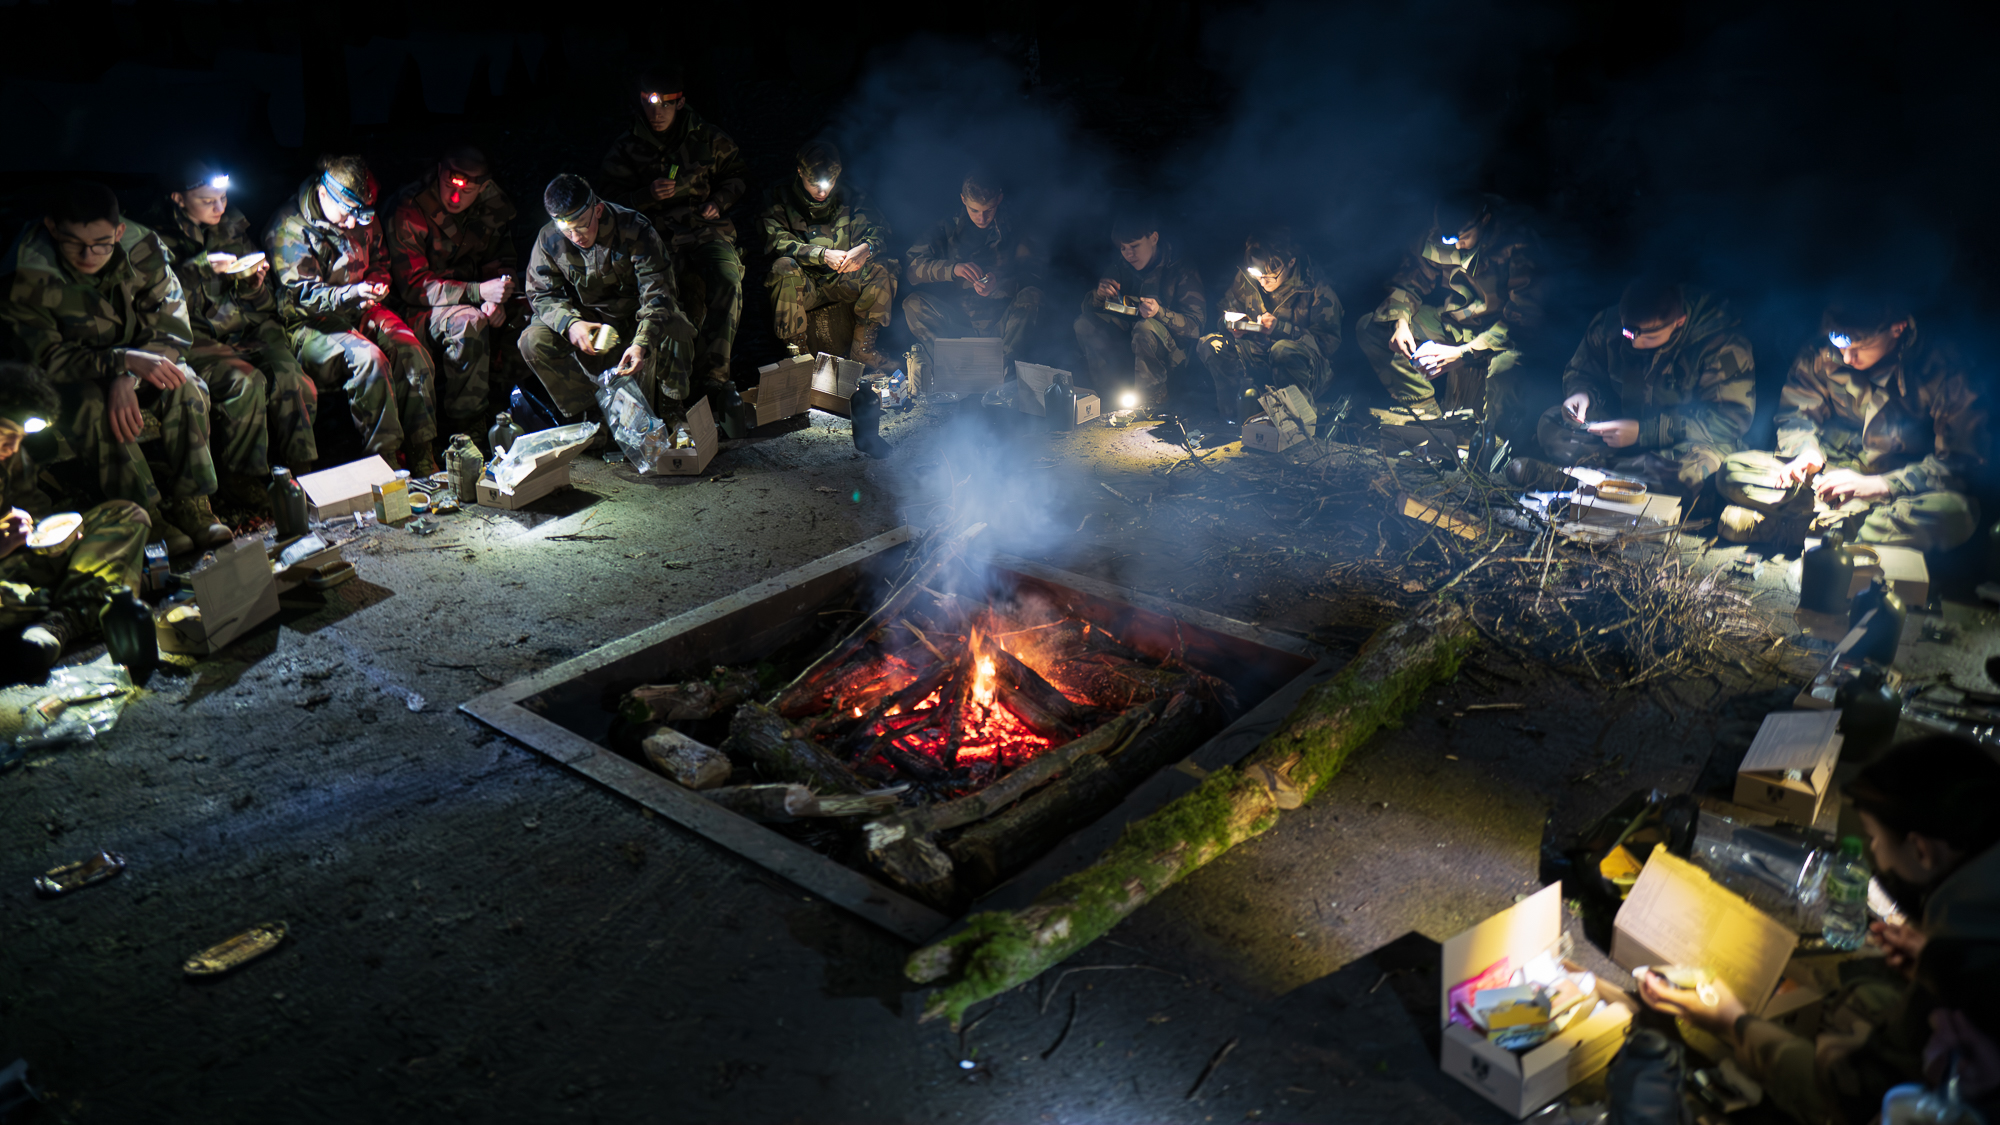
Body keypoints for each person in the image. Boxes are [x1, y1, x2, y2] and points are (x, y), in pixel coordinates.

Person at [1640, 735, 2000, 1125]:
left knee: (1846, 1033)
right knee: (1864, 996)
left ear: (1922, 851)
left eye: (1875, 839)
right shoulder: (1975, 923)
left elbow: (1852, 1093)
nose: (1871, 854)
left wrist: (1731, 1023)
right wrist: (1935, 959)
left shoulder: (1954, 999)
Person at [0, 180, 229, 555]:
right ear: (54, 228)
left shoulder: (143, 248)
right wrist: (120, 361)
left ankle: (195, 504)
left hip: (136, 363)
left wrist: (128, 374)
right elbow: (47, 359)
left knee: (185, 383)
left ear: (119, 231)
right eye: (75, 243)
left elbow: (171, 326)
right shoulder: (29, 273)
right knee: (91, 406)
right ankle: (147, 515)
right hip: (70, 378)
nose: (89, 255)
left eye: (102, 243)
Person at [1717, 299, 1988, 552]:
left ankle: (1804, 532)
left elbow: (1958, 463)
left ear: (1898, 328)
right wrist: (1805, 452)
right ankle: (1829, 532)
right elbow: (1796, 416)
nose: (1846, 357)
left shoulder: (1946, 371)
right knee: (1732, 470)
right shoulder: (1823, 352)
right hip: (1828, 478)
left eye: (1858, 346)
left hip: (1893, 492)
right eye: (1839, 342)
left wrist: (1881, 485)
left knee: (1958, 514)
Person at [145, 159, 319, 484]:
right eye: (208, 201)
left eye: (223, 198)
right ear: (178, 198)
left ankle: (302, 472)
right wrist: (199, 268)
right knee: (247, 383)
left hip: (250, 330)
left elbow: (265, 305)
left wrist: (253, 286)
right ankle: (246, 481)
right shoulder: (154, 241)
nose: (219, 207)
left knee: (293, 379)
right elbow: (153, 301)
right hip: (194, 338)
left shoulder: (233, 228)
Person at [265, 155, 440, 473]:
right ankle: (384, 461)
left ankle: (422, 452)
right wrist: (351, 293)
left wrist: (377, 283)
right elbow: (302, 296)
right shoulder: (289, 229)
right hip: (306, 324)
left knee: (412, 351)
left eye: (361, 216)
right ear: (323, 194)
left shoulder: (359, 215)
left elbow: (380, 261)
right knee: (369, 360)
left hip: (360, 308)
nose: (352, 224)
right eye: (347, 215)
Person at [1505, 278, 1753, 493]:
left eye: (1649, 335)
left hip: (1685, 445)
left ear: (1679, 322)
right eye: (1628, 333)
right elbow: (1582, 370)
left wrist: (1644, 432)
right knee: (1551, 425)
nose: (1634, 343)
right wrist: (1581, 393)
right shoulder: (1610, 326)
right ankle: (1611, 479)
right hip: (1620, 435)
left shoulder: (1721, 346)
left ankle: (1572, 479)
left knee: (1694, 474)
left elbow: (1729, 421)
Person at [598, 66, 749, 419]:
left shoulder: (707, 138)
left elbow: (739, 175)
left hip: (704, 231)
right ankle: (670, 391)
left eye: (665, 104)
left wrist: (720, 201)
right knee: (665, 298)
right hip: (655, 238)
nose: (657, 113)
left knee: (727, 279)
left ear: (680, 103)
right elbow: (605, 203)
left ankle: (714, 376)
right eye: (650, 104)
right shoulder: (628, 146)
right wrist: (644, 195)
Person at [0, 363, 149, 685]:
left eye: (20, 438)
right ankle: (78, 602)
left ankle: (57, 620)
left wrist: (51, 536)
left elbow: (31, 512)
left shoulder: (11, 458)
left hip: (18, 566)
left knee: (126, 516)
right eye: (5, 436)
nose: (12, 448)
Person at [518, 174, 694, 426]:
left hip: (634, 320)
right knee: (532, 341)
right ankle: (590, 418)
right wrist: (570, 324)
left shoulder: (634, 227)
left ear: (597, 210)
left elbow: (658, 293)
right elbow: (541, 294)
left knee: (675, 324)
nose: (576, 236)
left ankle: (671, 406)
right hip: (588, 325)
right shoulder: (549, 238)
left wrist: (641, 343)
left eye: (581, 226)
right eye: (566, 230)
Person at [1357, 189, 1541, 425]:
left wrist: (1462, 354)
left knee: (1505, 371)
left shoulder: (1516, 242)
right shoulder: (1436, 231)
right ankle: (1425, 412)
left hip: (1499, 336)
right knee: (1372, 328)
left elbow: (1522, 319)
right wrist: (1401, 322)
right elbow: (1408, 281)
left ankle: (1489, 442)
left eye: (1463, 236)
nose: (1457, 244)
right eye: (1449, 239)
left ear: (1484, 220)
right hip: (1456, 323)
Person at [385, 145, 520, 446]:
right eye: (449, 186)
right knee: (468, 323)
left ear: (483, 186)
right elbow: (413, 285)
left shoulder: (492, 202)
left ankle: (517, 417)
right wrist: (476, 293)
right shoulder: (411, 206)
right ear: (440, 172)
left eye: (468, 191)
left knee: (526, 321)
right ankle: (467, 430)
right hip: (416, 308)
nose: (455, 198)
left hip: (474, 298)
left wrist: (496, 299)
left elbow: (502, 260)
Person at [759, 141, 895, 369]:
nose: (822, 192)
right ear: (800, 171)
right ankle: (800, 358)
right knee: (783, 267)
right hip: (805, 285)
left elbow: (880, 231)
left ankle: (863, 351)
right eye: (815, 185)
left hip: (845, 280)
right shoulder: (779, 197)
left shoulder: (851, 196)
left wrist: (866, 249)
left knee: (883, 266)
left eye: (829, 183)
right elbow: (776, 241)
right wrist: (822, 255)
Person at [1196, 229, 1343, 423]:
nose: (1263, 281)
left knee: (1282, 349)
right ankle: (1234, 417)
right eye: (1258, 275)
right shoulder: (1247, 279)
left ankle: (1296, 423)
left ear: (1291, 262)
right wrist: (1232, 324)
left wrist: (1282, 328)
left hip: (1306, 369)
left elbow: (1328, 343)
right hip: (1259, 356)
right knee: (1211, 344)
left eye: (1270, 276)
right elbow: (1223, 312)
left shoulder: (1315, 287)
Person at [903, 171, 1044, 367]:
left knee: (1032, 295)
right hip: (958, 326)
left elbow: (1034, 273)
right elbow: (912, 269)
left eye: (989, 210)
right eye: (974, 210)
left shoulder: (1014, 227)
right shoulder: (947, 227)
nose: (982, 217)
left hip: (1001, 326)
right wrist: (953, 269)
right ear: (963, 200)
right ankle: (952, 368)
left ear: (999, 199)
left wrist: (1000, 283)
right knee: (913, 303)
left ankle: (1006, 371)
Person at [1073, 209, 1206, 409]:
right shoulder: (1121, 266)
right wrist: (1098, 296)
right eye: (1123, 248)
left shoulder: (1180, 268)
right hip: (1128, 353)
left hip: (1169, 359)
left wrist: (1160, 312)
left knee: (1146, 328)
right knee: (1085, 324)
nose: (1129, 254)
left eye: (1134, 246)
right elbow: (1090, 311)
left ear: (1153, 238)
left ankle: (1151, 403)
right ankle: (1107, 398)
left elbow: (1196, 326)